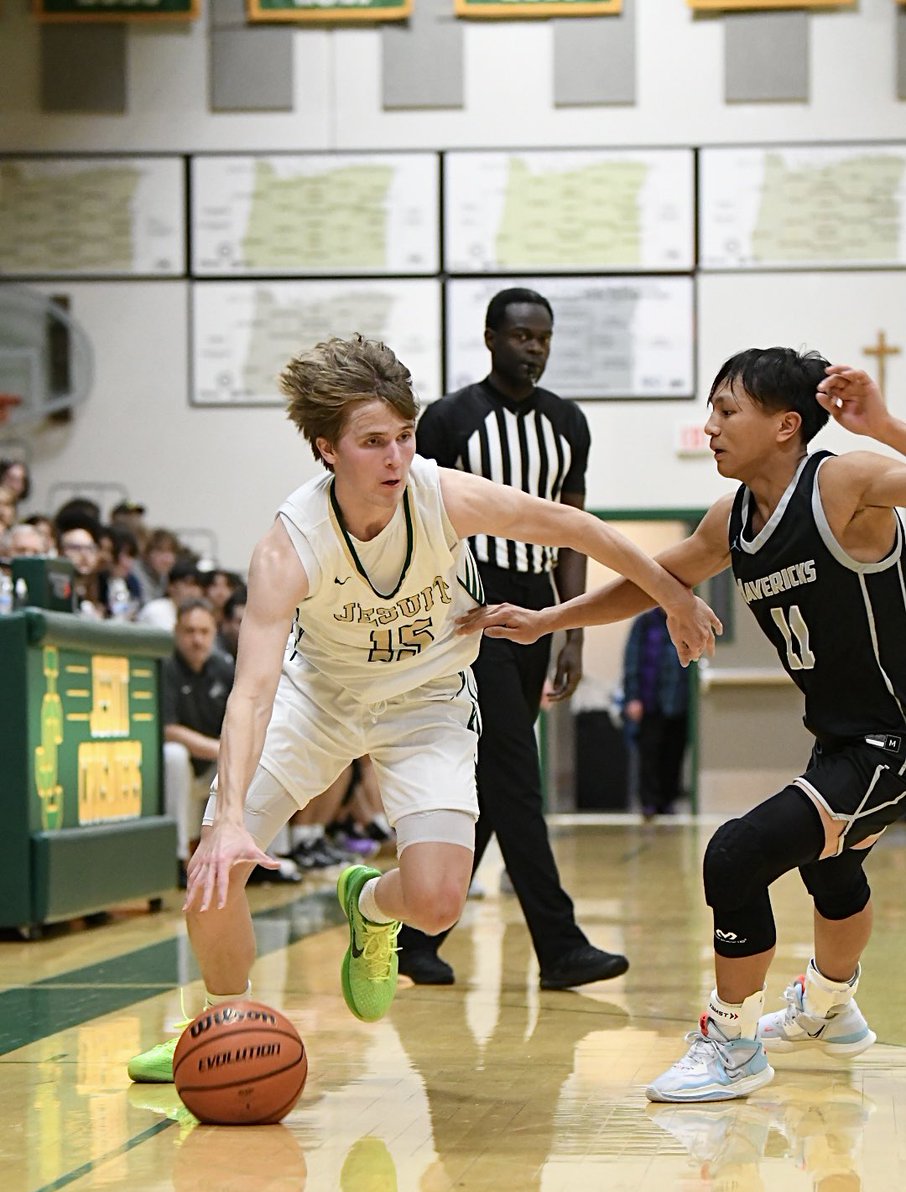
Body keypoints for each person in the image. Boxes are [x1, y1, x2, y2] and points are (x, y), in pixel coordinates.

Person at [126, 333, 718, 1085]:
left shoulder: (443, 495)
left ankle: (370, 905)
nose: (396, 459)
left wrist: (674, 598)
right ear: (325, 449)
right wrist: (231, 816)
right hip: (321, 701)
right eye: (373, 442)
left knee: (437, 904)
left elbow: (582, 530)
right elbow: (252, 690)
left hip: (428, 703)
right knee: (213, 874)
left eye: (404, 437)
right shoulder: (289, 545)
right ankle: (217, 1029)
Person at [458, 348, 906, 1104]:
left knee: (735, 855)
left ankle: (733, 1041)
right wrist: (546, 621)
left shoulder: (844, 482)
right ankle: (829, 1007)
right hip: (842, 739)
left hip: (892, 739)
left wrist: (886, 423)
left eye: (728, 411)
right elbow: (653, 578)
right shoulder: (732, 519)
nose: (711, 427)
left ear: (785, 425)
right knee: (831, 868)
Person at [396, 287, 629, 991]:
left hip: (536, 604)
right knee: (517, 775)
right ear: (492, 337)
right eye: (523, 336)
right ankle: (559, 946)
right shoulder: (449, 419)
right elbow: (422, 520)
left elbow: (572, 529)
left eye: (544, 338)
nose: (534, 348)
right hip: (472, 607)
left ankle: (413, 937)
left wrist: (575, 629)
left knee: (497, 785)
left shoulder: (567, 423)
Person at [163, 599, 236, 882]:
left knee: (254, 759)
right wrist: (220, 750)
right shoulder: (166, 667)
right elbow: (168, 728)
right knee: (174, 755)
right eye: (189, 631)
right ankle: (179, 859)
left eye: (204, 632)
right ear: (176, 632)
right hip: (178, 765)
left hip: (211, 763)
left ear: (214, 633)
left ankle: (237, 858)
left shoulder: (224, 669)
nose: (197, 640)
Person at [622, 607, 690, 818]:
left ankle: (668, 800)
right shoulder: (645, 623)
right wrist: (632, 696)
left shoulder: (685, 618)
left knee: (673, 752)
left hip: (678, 699)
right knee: (650, 752)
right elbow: (632, 659)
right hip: (650, 700)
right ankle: (649, 802)